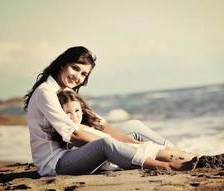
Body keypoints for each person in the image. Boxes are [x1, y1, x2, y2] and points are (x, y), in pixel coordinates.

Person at [23, 46, 196, 176]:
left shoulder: (66, 91)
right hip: (56, 163)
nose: (78, 77)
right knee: (106, 144)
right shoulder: (46, 92)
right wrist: (125, 145)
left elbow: (99, 124)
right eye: (75, 68)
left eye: (83, 74)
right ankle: (166, 166)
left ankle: (183, 156)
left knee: (133, 126)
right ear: (62, 64)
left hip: (74, 152)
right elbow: (74, 136)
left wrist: (133, 143)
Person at [49, 90, 199, 173]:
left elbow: (110, 133)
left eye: (77, 110)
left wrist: (136, 143)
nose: (74, 116)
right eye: (68, 113)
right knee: (157, 154)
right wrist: (133, 147)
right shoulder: (70, 131)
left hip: (115, 150)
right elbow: (103, 143)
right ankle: (168, 166)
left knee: (154, 146)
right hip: (108, 157)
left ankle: (193, 157)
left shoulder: (85, 123)